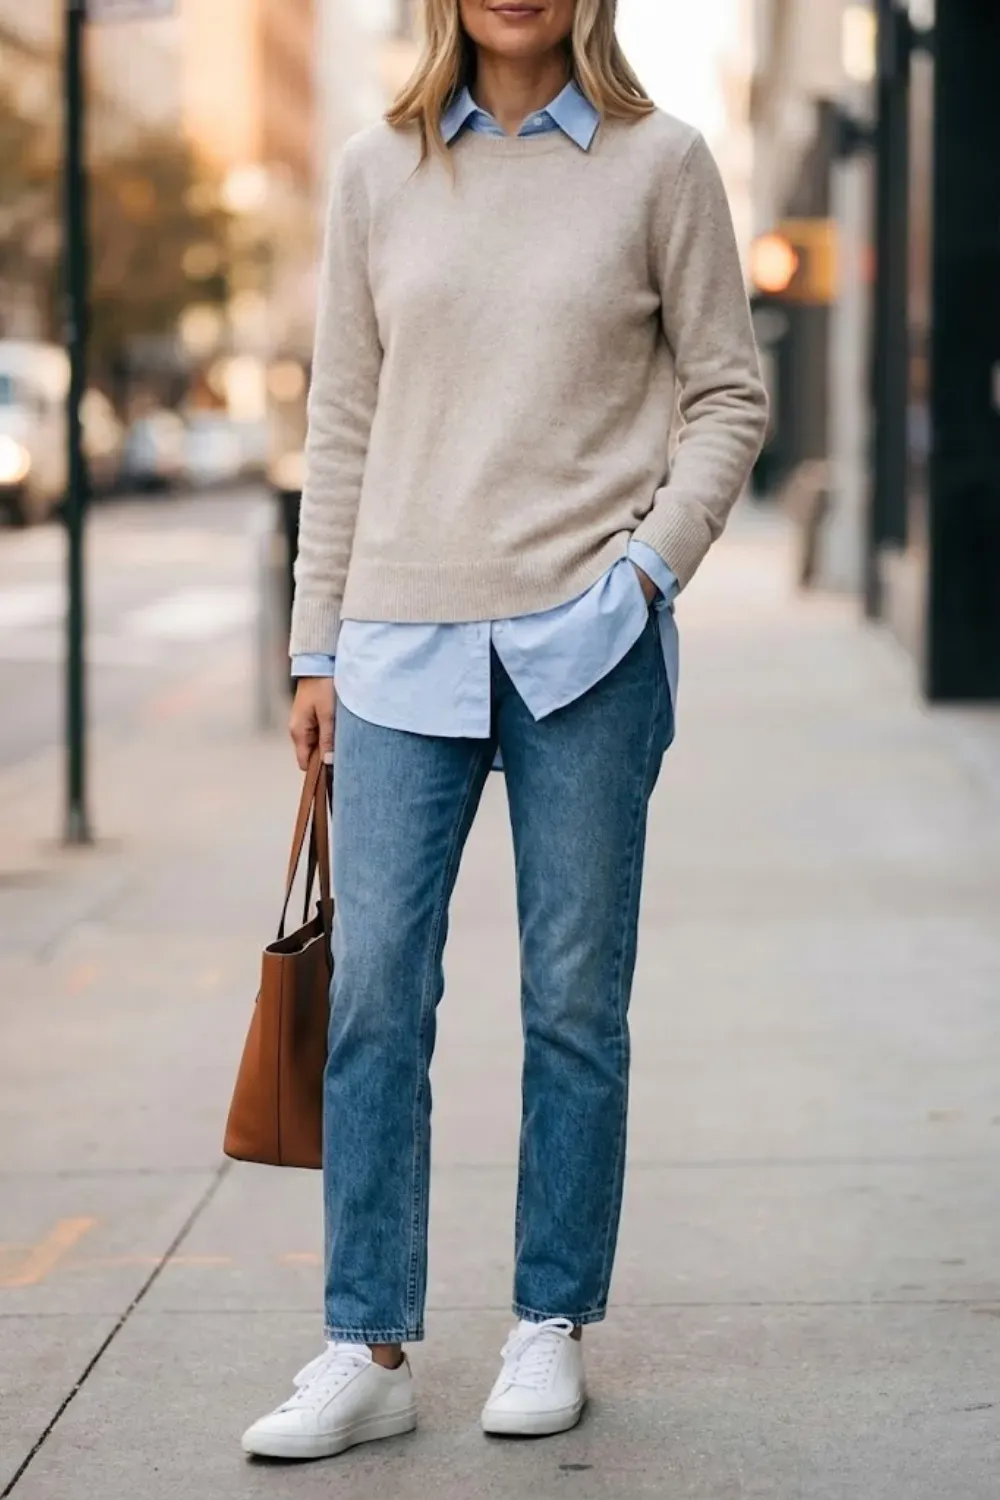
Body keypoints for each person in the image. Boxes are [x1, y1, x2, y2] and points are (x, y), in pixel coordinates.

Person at [243, 0, 766, 1462]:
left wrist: (646, 572)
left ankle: (551, 1320)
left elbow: (729, 393)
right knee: (373, 1002)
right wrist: (315, 644)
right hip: (401, 643)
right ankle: (368, 1343)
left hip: (584, 652)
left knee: (574, 1004)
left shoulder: (664, 165)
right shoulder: (375, 171)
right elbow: (341, 418)